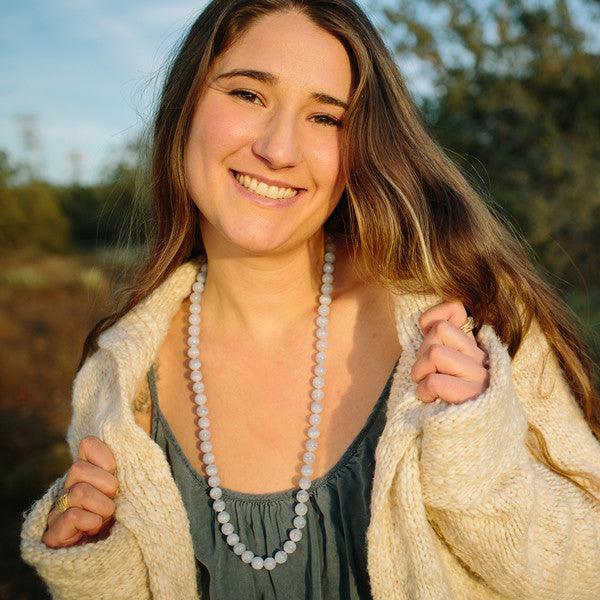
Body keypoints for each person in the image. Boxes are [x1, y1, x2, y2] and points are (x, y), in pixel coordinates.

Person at [20, 0, 600, 598]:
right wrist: (96, 569)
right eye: (248, 95)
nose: (278, 148)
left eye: (326, 118)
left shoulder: (470, 319)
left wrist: (479, 458)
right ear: (185, 107)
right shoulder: (116, 385)